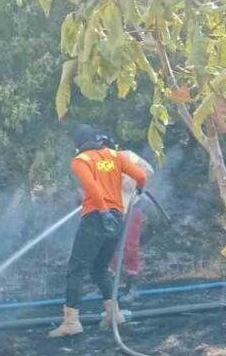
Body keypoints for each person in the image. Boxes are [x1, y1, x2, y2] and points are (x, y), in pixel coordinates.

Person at [49, 125, 150, 338]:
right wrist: (139, 188)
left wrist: (102, 213)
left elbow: (91, 187)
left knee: (76, 269)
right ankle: (115, 315)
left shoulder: (81, 161)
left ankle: (71, 322)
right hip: (117, 219)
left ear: (78, 144)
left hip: (96, 217)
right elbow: (141, 175)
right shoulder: (115, 156)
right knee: (100, 268)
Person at [113, 155, 154, 299]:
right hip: (111, 211)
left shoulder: (127, 155)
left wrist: (133, 180)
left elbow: (148, 170)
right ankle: (110, 287)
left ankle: (132, 288)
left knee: (131, 248)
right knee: (110, 248)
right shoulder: (96, 162)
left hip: (132, 207)